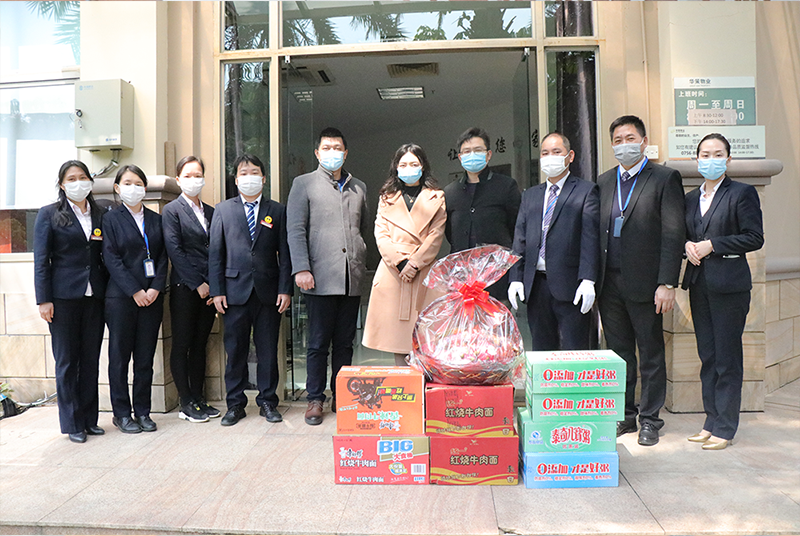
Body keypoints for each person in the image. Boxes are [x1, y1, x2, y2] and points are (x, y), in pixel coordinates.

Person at [597, 115, 685, 446]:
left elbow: (673, 233)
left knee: (650, 352)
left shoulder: (664, 178)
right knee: (619, 353)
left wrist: (667, 282)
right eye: (618, 140)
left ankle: (650, 419)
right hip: (609, 284)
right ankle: (625, 415)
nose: (624, 145)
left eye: (630, 138)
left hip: (648, 284)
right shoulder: (605, 182)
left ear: (644, 141)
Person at [682, 133, 763, 450]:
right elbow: (685, 234)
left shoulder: (742, 193)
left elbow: (754, 237)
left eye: (718, 154)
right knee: (708, 355)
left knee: (727, 357)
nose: (711, 159)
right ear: (697, 159)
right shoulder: (691, 198)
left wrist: (713, 244)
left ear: (728, 160)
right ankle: (711, 420)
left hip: (730, 286)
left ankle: (726, 427)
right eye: (705, 154)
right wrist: (687, 246)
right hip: (699, 284)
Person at [287, 127, 369, 426]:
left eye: (337, 148)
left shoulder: (358, 187)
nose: (332, 152)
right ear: (317, 152)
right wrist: (301, 268)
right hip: (318, 277)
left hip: (350, 278)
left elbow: (363, 228)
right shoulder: (304, 184)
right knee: (318, 343)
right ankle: (315, 398)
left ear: (345, 153)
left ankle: (342, 395)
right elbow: (295, 229)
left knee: (345, 343)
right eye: (326, 147)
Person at [209, 154, 292, 426]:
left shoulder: (277, 210)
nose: (249, 178)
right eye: (243, 173)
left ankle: (268, 401)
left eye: (254, 172)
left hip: (269, 293)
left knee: (268, 351)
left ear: (263, 178)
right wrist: (217, 291)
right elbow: (216, 254)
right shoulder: (223, 210)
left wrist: (285, 289)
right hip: (234, 293)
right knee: (235, 351)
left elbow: (285, 254)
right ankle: (235, 404)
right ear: (236, 180)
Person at [33, 161, 108, 443]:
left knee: (90, 360)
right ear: (62, 185)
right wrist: (44, 300)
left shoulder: (101, 213)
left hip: (94, 296)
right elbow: (42, 260)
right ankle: (72, 423)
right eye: (71, 179)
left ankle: (89, 419)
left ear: (90, 181)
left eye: (83, 177)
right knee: (67, 361)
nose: (78, 183)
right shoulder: (49, 214)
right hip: (63, 298)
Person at [508, 132, 600, 350]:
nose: (550, 157)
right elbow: (520, 239)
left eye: (556, 152)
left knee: (575, 351)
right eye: (545, 153)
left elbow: (590, 239)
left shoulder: (586, 191)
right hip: (536, 286)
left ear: (570, 156)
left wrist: (588, 279)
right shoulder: (530, 195)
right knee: (541, 351)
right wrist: (515, 278)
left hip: (571, 286)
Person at [362, 144, 446, 366]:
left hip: (423, 271)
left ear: (423, 166)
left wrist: (414, 263)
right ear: (396, 167)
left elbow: (436, 235)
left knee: (426, 339)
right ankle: (402, 381)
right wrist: (400, 264)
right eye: (404, 164)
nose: (409, 168)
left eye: (414, 164)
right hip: (394, 272)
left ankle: (423, 384)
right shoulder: (386, 197)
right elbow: (381, 234)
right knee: (397, 339)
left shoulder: (437, 197)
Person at [103, 165, 168, 434]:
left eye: (138, 183)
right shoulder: (110, 219)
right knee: (119, 358)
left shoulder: (155, 219)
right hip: (121, 298)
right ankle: (122, 414)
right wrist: (135, 291)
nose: (134, 188)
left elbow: (163, 257)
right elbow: (111, 258)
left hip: (152, 299)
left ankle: (143, 411)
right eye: (128, 183)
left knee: (144, 359)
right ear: (117, 188)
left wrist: (155, 288)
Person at [162, 156, 219, 423]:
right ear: (178, 179)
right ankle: (185, 401)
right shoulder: (172, 211)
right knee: (182, 343)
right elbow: (175, 251)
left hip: (209, 290)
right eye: (187, 175)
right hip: (186, 288)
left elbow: (217, 250)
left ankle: (198, 398)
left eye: (198, 175)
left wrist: (213, 286)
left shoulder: (211, 211)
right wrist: (198, 284)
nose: (193, 180)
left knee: (200, 344)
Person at [443, 127, 521, 301]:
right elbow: (450, 232)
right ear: (460, 157)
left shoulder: (506, 186)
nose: (472, 155)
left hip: (497, 276)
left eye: (478, 150)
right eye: (467, 151)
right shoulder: (450, 192)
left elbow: (516, 228)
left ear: (488, 154)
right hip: (461, 278)